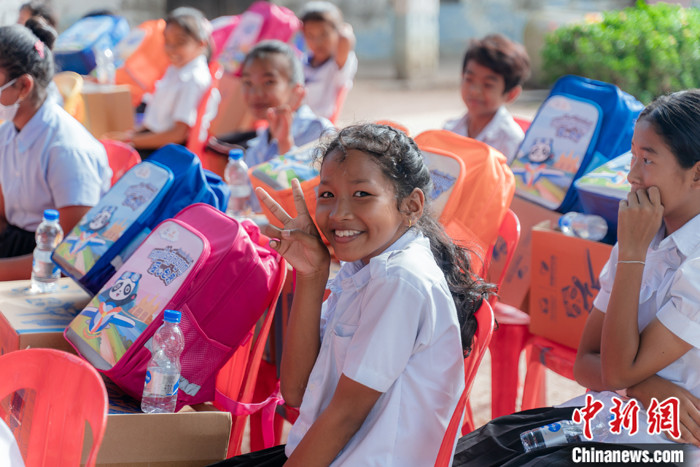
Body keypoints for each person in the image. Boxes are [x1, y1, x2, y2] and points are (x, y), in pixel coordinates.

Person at [210, 123, 494, 466]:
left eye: (362, 194)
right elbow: (296, 391)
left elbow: (344, 417)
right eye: (327, 195)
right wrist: (312, 275)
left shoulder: (399, 279)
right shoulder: (363, 266)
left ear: (411, 205)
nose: (339, 213)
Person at [453, 90, 700, 466]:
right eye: (632, 156)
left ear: (697, 173)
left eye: (648, 160)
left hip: (662, 445)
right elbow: (586, 361)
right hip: (605, 416)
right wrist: (644, 387)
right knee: (473, 452)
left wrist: (632, 255)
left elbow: (612, 370)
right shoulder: (641, 234)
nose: (631, 175)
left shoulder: (673, 255)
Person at [0, 23, 111, 279]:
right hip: (17, 251)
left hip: (48, 266)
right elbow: (3, 216)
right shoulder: (7, 134)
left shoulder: (67, 150)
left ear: (24, 86)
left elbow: (72, 258)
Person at [105, 7, 217, 159]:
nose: (171, 49)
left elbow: (178, 135)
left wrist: (131, 141)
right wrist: (129, 136)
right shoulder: (175, 69)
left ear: (201, 43)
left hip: (165, 152)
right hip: (153, 141)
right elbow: (155, 121)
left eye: (180, 42)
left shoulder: (193, 78)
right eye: (167, 42)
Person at [444, 34, 530, 164]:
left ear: (511, 94)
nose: (474, 91)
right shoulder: (449, 130)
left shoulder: (511, 141)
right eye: (469, 79)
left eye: (488, 85)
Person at [299, 1, 358, 121]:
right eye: (310, 35)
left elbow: (345, 39)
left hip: (321, 127)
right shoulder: (302, 62)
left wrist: (344, 29)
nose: (317, 42)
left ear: (337, 32)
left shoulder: (338, 65)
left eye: (324, 34)